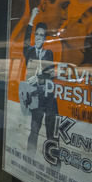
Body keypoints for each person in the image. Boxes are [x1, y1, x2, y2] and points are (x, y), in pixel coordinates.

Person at [22, 21, 58, 155]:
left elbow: (51, 74)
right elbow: (25, 41)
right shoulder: (30, 51)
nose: (38, 37)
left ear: (45, 39)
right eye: (36, 34)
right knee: (34, 131)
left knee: (51, 134)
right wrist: (31, 19)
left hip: (48, 99)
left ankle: (53, 163)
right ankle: (30, 158)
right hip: (36, 98)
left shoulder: (49, 53)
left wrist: (39, 78)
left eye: (41, 35)